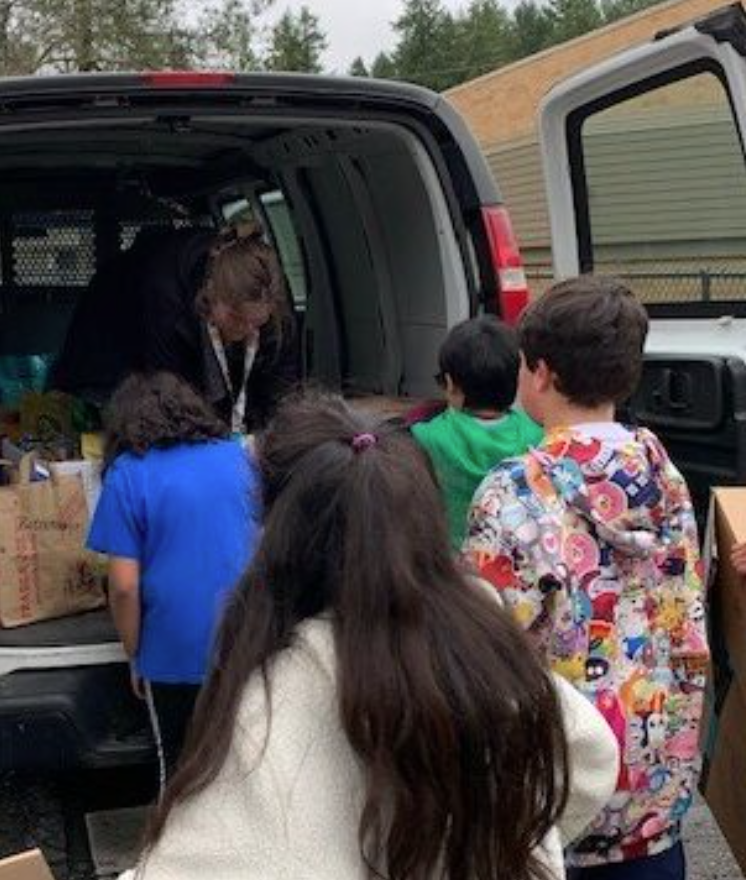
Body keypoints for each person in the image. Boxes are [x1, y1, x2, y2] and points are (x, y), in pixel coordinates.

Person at [131, 392, 619, 880]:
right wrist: (517, 834)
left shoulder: (279, 689)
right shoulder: (481, 632)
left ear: (274, 526)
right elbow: (592, 754)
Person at [464, 276, 709, 879]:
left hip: (559, 797)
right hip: (655, 795)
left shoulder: (511, 491)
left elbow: (485, 644)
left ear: (540, 373)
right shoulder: (664, 476)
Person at [87, 372, 258, 787]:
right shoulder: (240, 456)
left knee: (180, 773)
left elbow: (124, 586)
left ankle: (177, 848)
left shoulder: (128, 474)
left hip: (173, 649)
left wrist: (135, 653)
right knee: (243, 770)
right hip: (248, 638)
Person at [137, 223, 299, 433]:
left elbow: (283, 397)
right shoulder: (166, 301)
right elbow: (167, 396)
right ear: (211, 293)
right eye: (236, 318)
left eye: (257, 322)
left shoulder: (273, 302)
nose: (247, 330)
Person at [412, 315, 543, 545]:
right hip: (513, 557)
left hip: (451, 560)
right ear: (517, 380)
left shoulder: (425, 437)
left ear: (451, 384)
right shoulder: (537, 435)